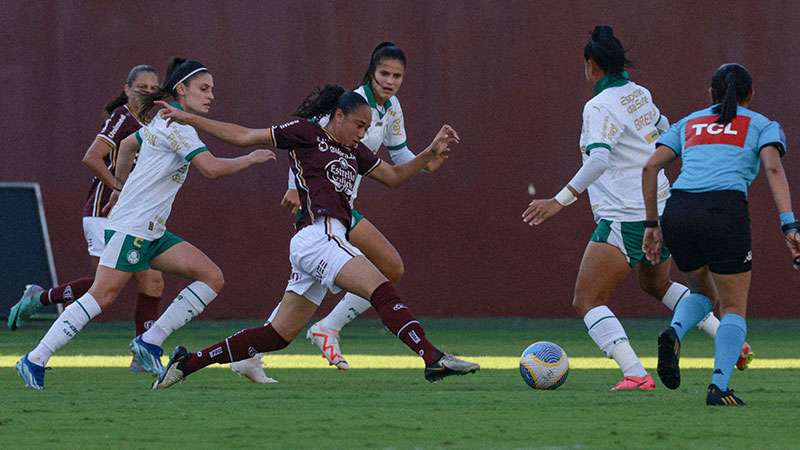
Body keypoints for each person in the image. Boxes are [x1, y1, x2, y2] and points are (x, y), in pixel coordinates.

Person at [150, 84, 479, 389]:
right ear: (338, 116)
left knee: (277, 335)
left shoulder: (356, 151)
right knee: (380, 286)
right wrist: (187, 117)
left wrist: (428, 153)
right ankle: (432, 358)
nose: (362, 133)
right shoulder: (306, 133)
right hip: (318, 235)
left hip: (324, 241)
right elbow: (244, 136)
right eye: (358, 125)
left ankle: (187, 363)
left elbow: (393, 176)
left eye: (367, 128)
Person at [15, 58, 276, 389]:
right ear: (181, 90)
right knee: (102, 296)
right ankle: (34, 358)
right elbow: (210, 169)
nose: (211, 96)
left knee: (211, 277)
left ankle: (150, 340)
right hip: (133, 227)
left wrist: (118, 188)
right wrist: (250, 159)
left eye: (212, 89)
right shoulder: (179, 128)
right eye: (204, 89)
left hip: (150, 229)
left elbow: (127, 146)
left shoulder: (161, 119)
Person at [522, 26, 750, 391]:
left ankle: (634, 373)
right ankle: (729, 337)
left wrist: (558, 201)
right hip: (661, 207)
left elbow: (598, 161)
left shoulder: (598, 106)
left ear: (591, 65)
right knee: (656, 283)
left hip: (625, 216)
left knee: (587, 299)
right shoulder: (638, 93)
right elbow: (667, 128)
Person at [230, 42, 447, 382]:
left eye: (397, 76)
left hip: (345, 206)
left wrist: (427, 163)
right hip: (323, 202)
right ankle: (324, 329)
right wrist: (292, 186)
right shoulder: (348, 104)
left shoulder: (391, 109)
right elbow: (305, 141)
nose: (390, 81)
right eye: (384, 74)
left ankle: (280, 343)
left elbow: (400, 158)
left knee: (318, 285)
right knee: (386, 267)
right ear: (370, 73)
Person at [642, 63, 799, 405]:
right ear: (751, 94)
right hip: (724, 211)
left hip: (680, 211)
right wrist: (789, 224)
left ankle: (674, 332)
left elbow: (651, 165)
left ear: (710, 93)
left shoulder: (689, 122)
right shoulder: (761, 124)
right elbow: (772, 167)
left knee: (703, 291)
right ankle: (719, 387)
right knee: (733, 308)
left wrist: (652, 225)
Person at [7, 67, 166, 369]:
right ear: (127, 89)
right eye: (141, 86)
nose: (148, 92)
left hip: (132, 216)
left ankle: (142, 355)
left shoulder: (151, 123)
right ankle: (39, 300)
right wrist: (118, 188)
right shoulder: (123, 117)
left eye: (153, 87)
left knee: (152, 281)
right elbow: (91, 157)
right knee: (105, 287)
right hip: (103, 212)